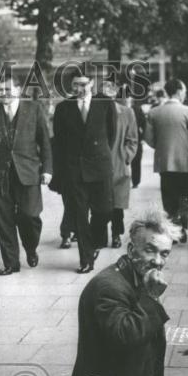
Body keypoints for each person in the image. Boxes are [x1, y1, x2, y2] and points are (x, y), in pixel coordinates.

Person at [63, 207, 188, 376]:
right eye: (150, 250)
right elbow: (125, 335)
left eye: (164, 253)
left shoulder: (133, 277)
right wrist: (152, 298)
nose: (158, 261)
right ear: (132, 250)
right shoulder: (109, 287)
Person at [0, 77, 52, 275]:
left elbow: (45, 141)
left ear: (19, 90)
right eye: (0, 89)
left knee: (30, 215)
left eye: (8, 89)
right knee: (4, 220)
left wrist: (47, 170)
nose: (4, 93)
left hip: (28, 173)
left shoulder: (34, 109)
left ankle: (30, 247)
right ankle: (11, 263)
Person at [49, 74, 117, 273]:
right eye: (74, 85)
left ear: (92, 84)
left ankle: (95, 243)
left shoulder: (105, 103)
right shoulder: (63, 108)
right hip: (74, 170)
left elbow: (111, 134)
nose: (78, 88)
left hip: (100, 167)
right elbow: (59, 143)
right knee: (79, 215)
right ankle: (85, 259)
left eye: (83, 84)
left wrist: (100, 155)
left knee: (104, 211)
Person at [143, 78, 188, 243]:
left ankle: (173, 229)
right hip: (185, 162)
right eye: (184, 91)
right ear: (180, 91)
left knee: (168, 198)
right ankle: (182, 226)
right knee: (185, 195)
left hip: (165, 162)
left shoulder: (154, 113)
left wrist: (161, 146)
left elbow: (148, 138)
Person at [99, 81, 139, 249]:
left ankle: (116, 234)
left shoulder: (127, 112)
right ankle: (99, 236)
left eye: (109, 93)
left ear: (115, 94)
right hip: (98, 165)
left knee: (117, 206)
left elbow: (132, 139)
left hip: (118, 164)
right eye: (102, 94)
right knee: (99, 204)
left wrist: (125, 157)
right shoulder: (93, 113)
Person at [130, 97, 146, 189]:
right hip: (135, 137)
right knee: (136, 161)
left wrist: (142, 136)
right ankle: (135, 181)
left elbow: (143, 123)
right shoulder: (137, 109)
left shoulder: (137, 109)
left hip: (136, 138)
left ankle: (135, 181)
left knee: (136, 160)